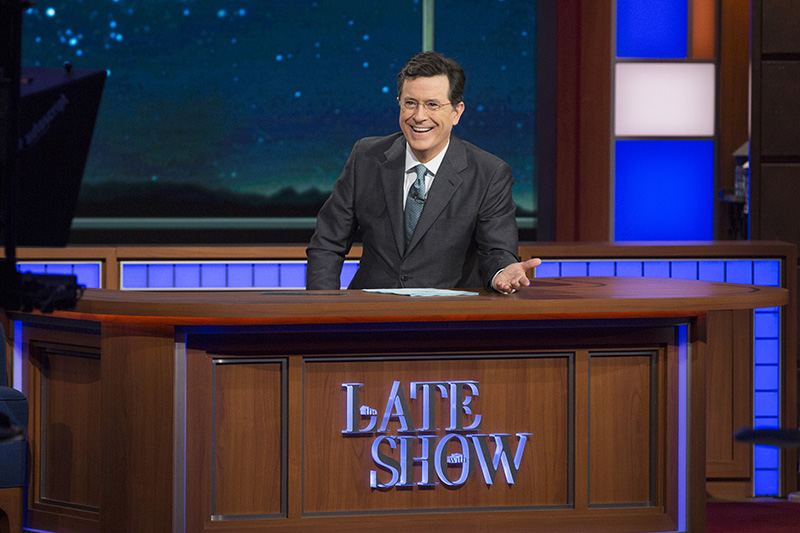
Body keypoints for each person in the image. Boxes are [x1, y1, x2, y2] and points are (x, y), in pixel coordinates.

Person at [306, 51, 541, 293]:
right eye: (410, 103)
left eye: (432, 105)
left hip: (447, 317)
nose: (419, 116)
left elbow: (496, 251)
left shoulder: (489, 173)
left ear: (456, 112)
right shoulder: (365, 158)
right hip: (371, 312)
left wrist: (502, 273)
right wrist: (321, 307)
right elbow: (327, 243)